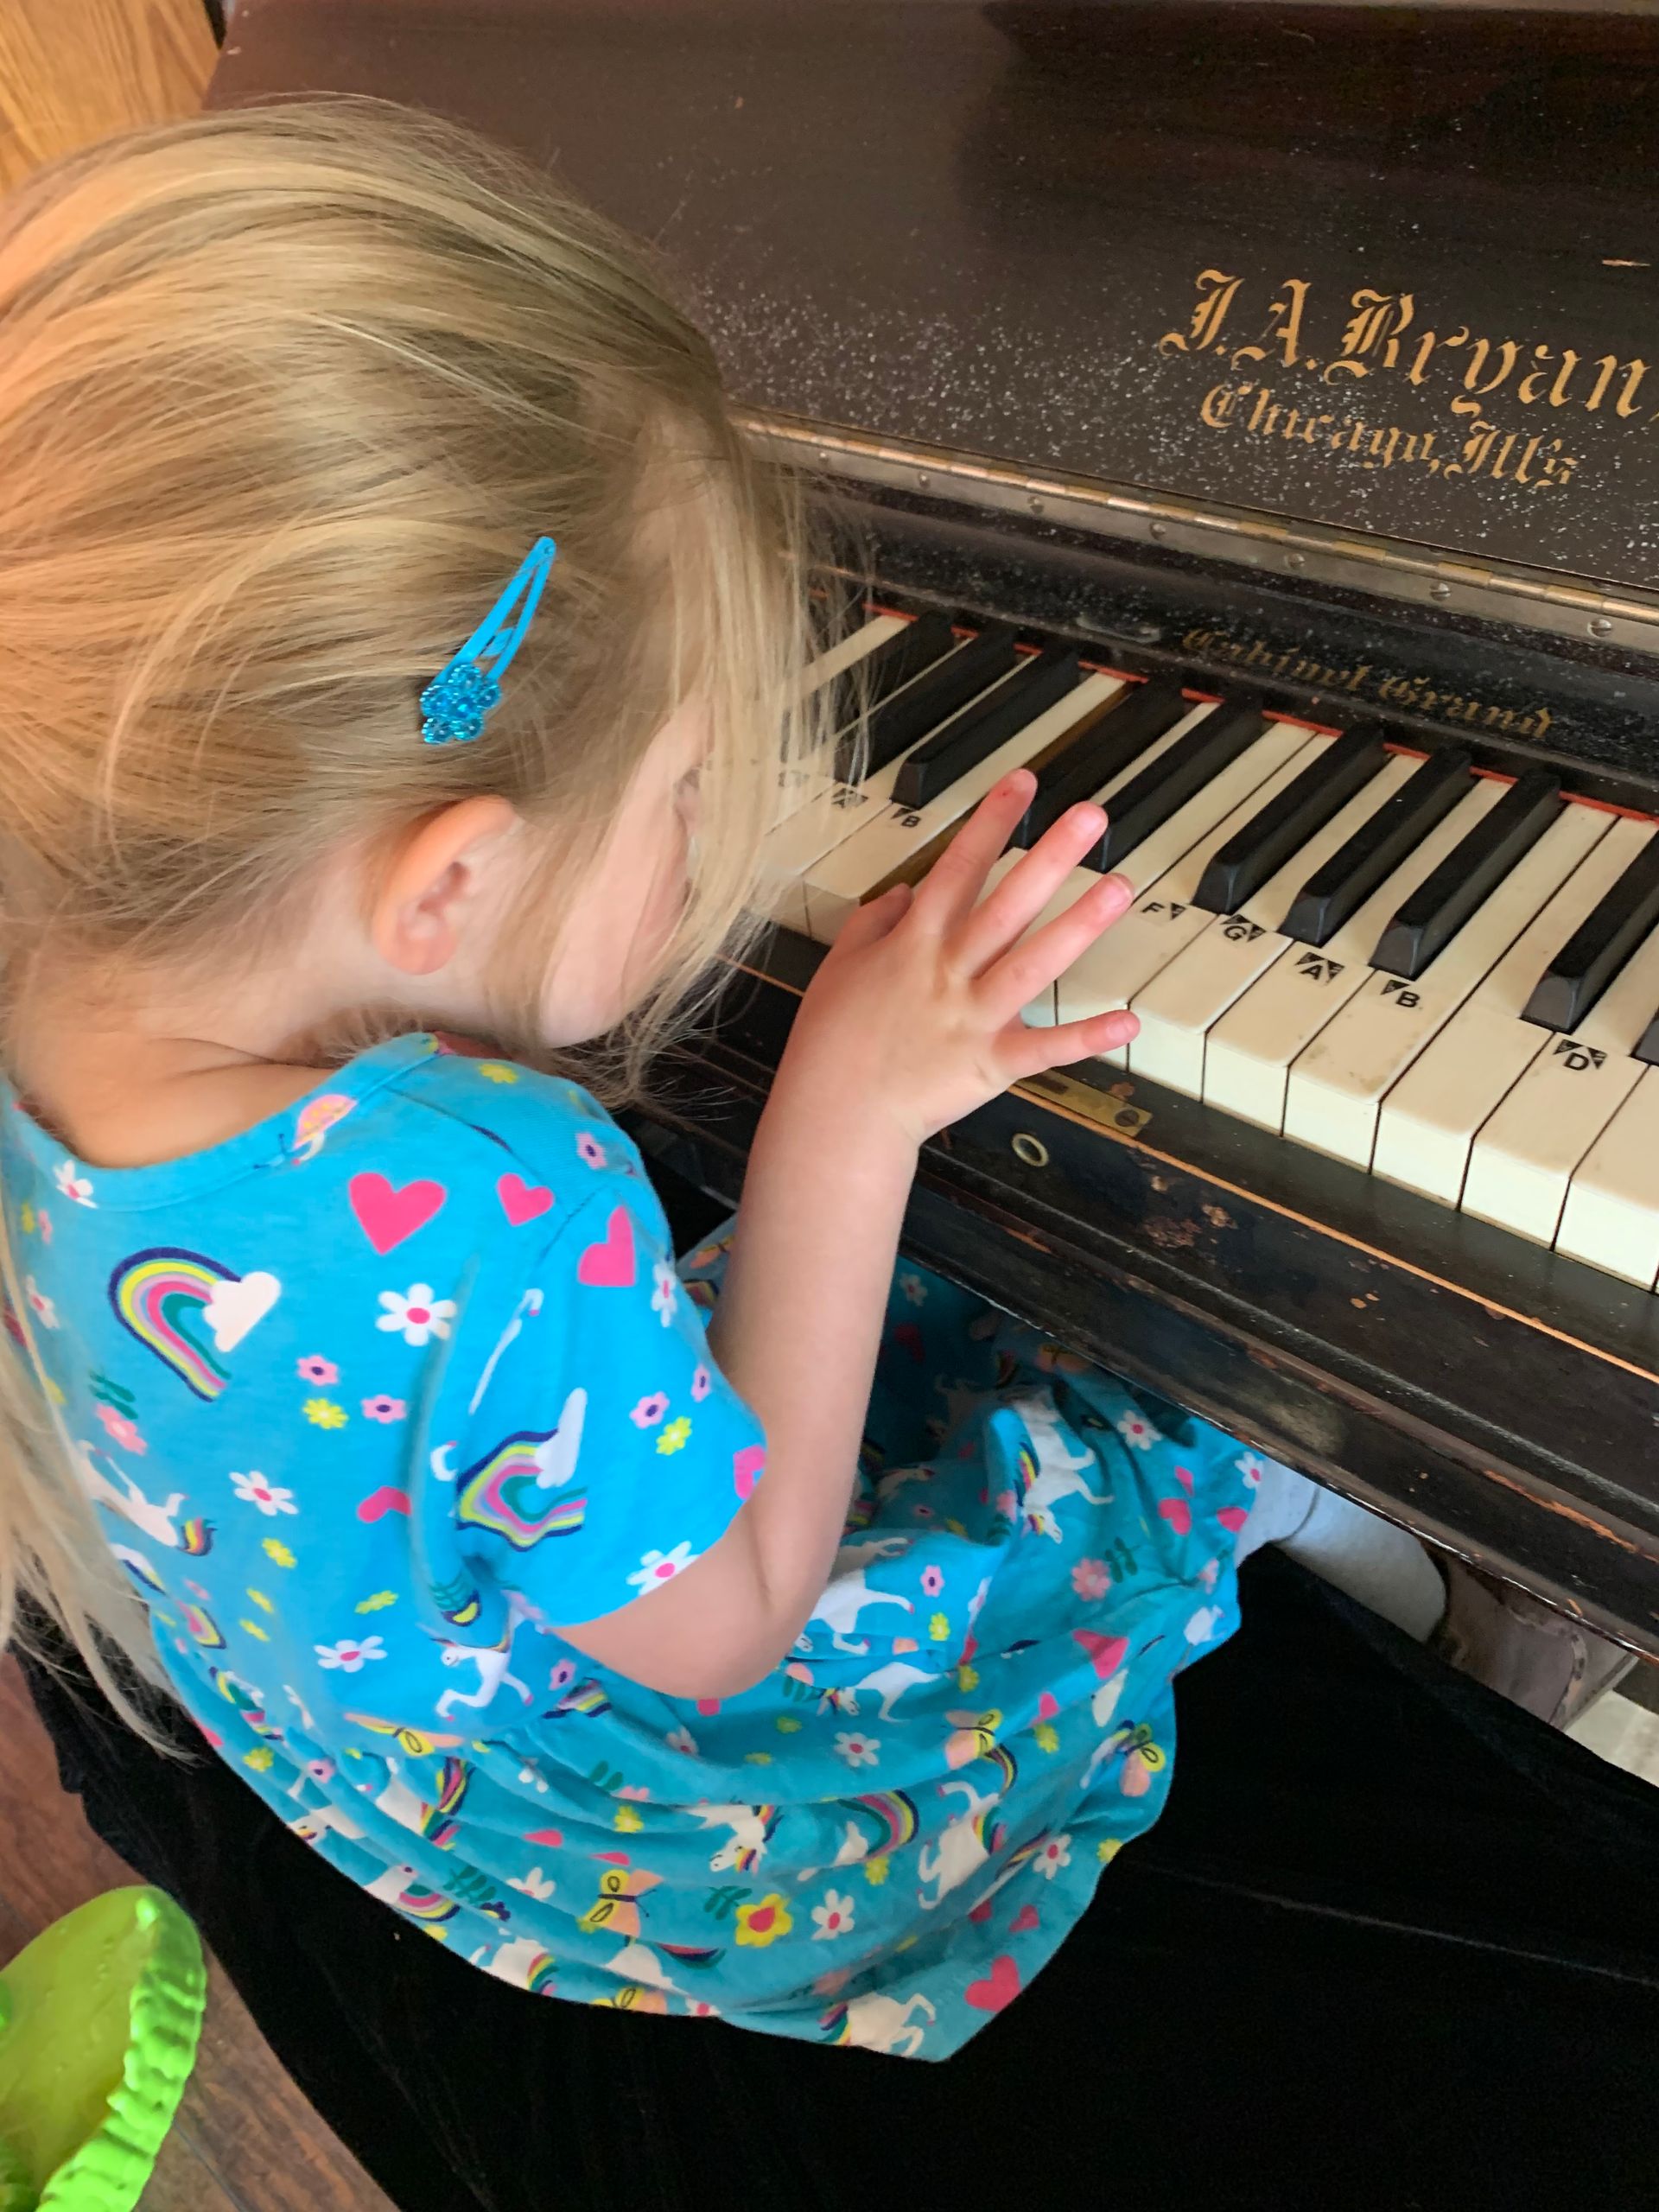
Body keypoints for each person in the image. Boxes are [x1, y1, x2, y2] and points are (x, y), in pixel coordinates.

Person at [0, 98, 1643, 2164]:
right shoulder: (497, 1207)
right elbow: (733, 1618)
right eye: (690, 781)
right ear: (446, 883)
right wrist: (840, 1120)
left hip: (368, 1730)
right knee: (1152, 1425)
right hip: (647, 1778)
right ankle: (1427, 1611)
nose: (717, 820)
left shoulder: (50, 999)